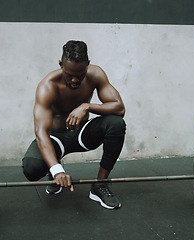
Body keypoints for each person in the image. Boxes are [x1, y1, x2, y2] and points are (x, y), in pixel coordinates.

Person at [22, 40, 126, 209]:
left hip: (82, 134)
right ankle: (53, 168)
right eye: (69, 74)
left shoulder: (96, 74)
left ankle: (99, 186)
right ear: (61, 64)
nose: (74, 79)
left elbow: (119, 108)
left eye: (80, 74)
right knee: (31, 169)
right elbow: (41, 132)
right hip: (56, 138)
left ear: (88, 65)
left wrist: (87, 106)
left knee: (116, 124)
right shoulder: (47, 86)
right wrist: (57, 170)